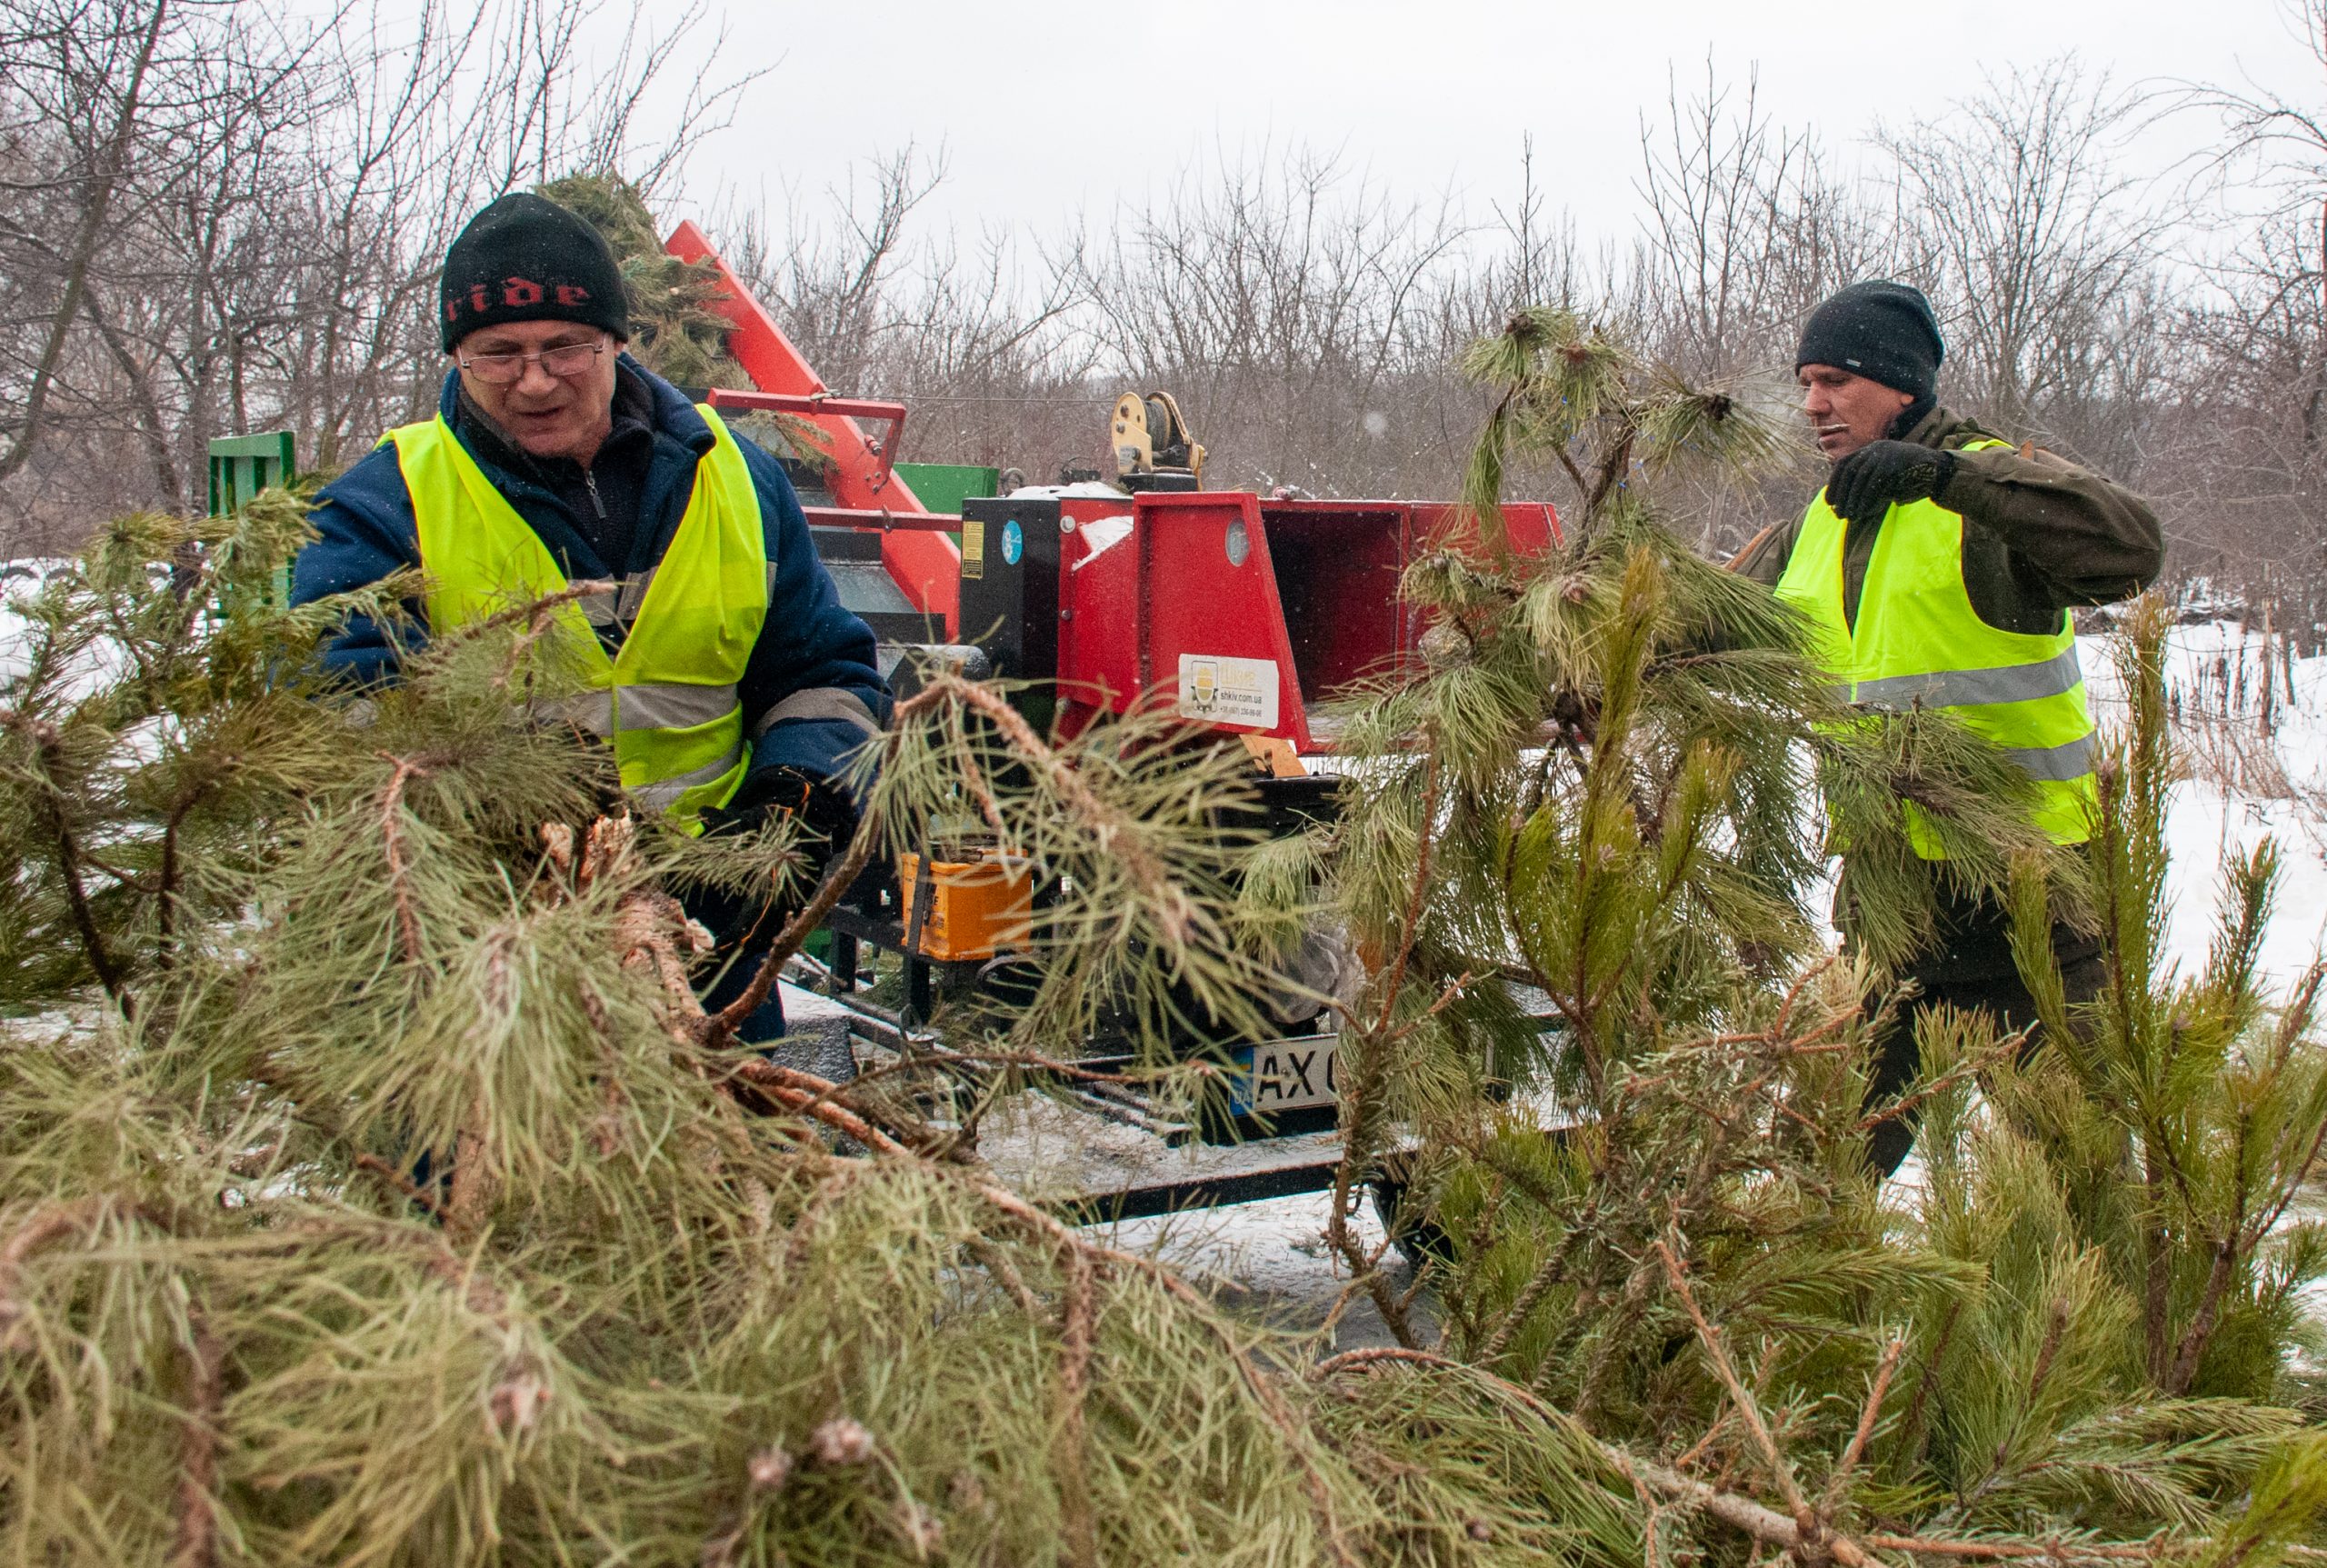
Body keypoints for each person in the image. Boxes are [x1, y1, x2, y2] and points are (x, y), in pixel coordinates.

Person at [292, 192, 886, 1039]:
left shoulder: (739, 479)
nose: (534, 380)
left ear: (615, 340)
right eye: (497, 354)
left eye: (564, 346)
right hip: (484, 969)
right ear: (457, 358)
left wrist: (789, 818)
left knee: (732, 1164)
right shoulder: (384, 508)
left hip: (714, 946)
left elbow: (823, 677)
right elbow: (339, 725)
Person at [1731, 280, 2164, 1174]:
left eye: (1835, 379)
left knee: (2083, 1201)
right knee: (1812, 1189)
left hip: (2032, 925)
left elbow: (2131, 548)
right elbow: (1714, 623)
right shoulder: (1819, 524)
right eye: (1805, 381)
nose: (1812, 403)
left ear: (1901, 386)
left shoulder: (1984, 494)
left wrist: (1948, 478)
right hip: (1891, 925)